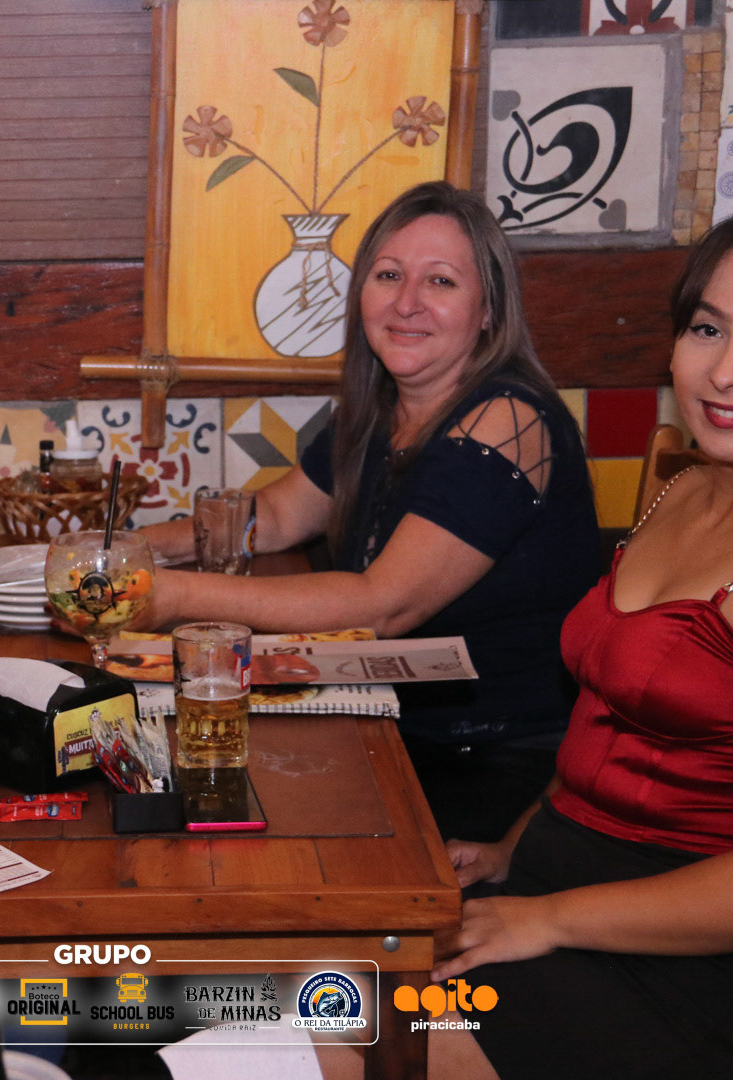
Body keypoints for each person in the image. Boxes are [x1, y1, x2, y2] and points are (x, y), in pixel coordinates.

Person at [431, 188, 733, 1080]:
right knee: (206, 999)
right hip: (558, 904)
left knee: (312, 1024)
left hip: (702, 993)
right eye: (706, 328)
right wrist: (513, 850)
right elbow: (611, 716)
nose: (726, 371)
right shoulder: (686, 490)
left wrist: (550, 920)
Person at [140, 181, 602, 842]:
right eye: (388, 275)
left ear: (489, 310)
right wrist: (134, 549)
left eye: (440, 281)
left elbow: (383, 607)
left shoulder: (506, 421)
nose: (407, 302)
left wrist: (172, 596)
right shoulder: (386, 407)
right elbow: (276, 517)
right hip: (393, 726)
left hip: (495, 761)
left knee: (231, 833)